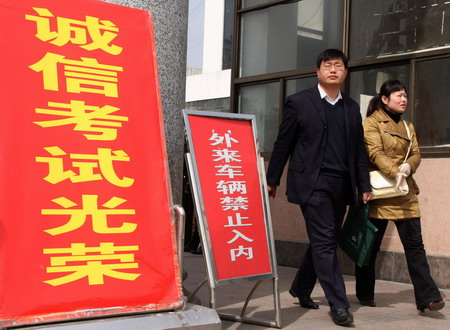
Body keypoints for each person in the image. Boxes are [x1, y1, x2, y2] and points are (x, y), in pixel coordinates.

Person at [266, 49, 372, 326]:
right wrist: (272, 178)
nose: (333, 69)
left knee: (325, 240)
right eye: (328, 65)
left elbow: (359, 150)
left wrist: (364, 183)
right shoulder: (299, 102)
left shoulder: (351, 108)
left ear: (346, 73)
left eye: (339, 65)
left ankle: (301, 287)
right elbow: (283, 143)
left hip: (342, 184)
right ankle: (339, 305)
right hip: (312, 184)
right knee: (326, 242)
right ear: (318, 71)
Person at [355, 80, 445, 313]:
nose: (403, 99)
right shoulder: (371, 123)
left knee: (415, 246)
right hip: (381, 193)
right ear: (384, 99)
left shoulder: (408, 126)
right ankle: (365, 292)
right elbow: (374, 153)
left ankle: (428, 297)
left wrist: (408, 169)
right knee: (370, 247)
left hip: (404, 193)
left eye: (405, 95)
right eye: (398, 95)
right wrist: (396, 172)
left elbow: (416, 152)